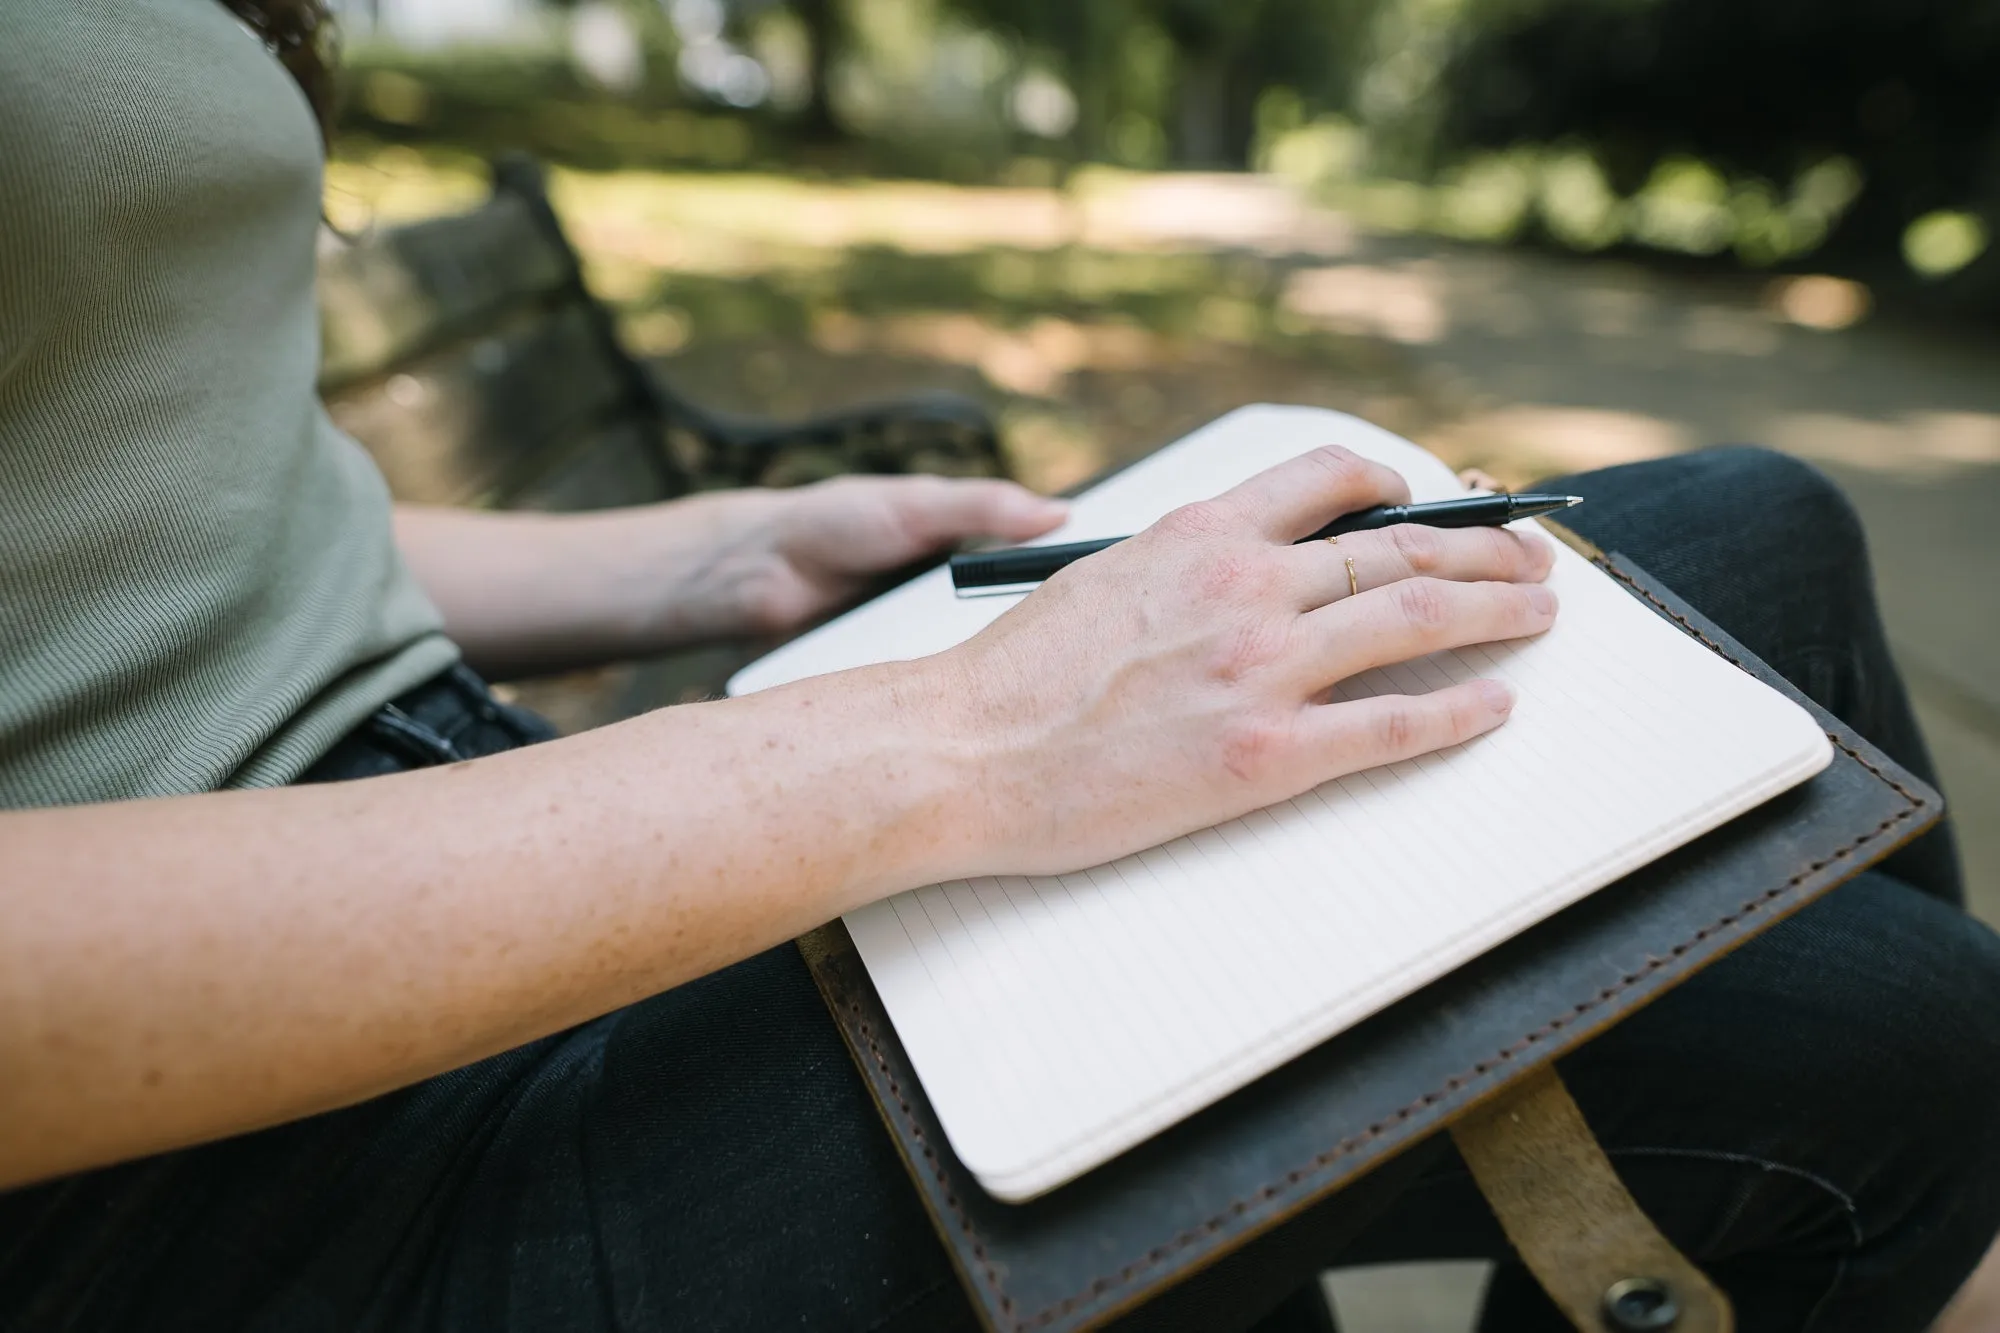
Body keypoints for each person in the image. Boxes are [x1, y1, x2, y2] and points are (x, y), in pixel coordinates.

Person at [2, 4, 1997, 1331]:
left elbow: (161, 499)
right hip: (235, 1176)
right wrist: (962, 735)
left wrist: (718, 551)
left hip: (475, 810)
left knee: (1766, 530)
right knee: (1914, 1052)